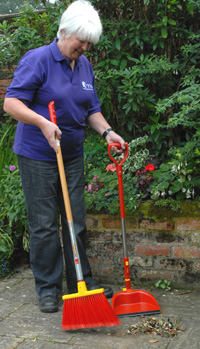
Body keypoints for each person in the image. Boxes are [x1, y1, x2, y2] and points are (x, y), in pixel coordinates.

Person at [4, 0, 125, 313]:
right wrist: (44, 122)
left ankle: (81, 283)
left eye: (89, 42)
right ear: (64, 31)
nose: (84, 46)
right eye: (80, 40)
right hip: (37, 156)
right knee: (44, 224)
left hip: (71, 154)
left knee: (76, 221)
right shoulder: (39, 59)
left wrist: (107, 132)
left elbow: (92, 110)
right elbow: (12, 102)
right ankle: (47, 289)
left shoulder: (84, 65)